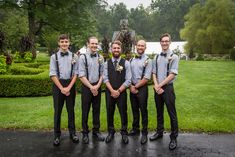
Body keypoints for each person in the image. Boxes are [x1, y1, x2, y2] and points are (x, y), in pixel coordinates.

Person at [150, 33, 179, 150]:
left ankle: (173, 137)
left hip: (168, 88)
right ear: (160, 42)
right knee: (159, 111)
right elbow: (154, 73)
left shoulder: (174, 56)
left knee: (172, 114)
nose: (165, 43)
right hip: (158, 88)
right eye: (163, 41)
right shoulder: (156, 57)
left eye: (167, 41)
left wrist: (160, 85)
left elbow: (172, 74)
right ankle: (159, 132)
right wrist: (156, 85)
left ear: (170, 42)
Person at [49, 34, 79, 146]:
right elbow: (52, 74)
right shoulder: (53, 57)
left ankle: (73, 133)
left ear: (69, 43)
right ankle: (57, 135)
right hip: (58, 86)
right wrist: (62, 88)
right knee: (58, 111)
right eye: (62, 42)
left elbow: (76, 73)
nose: (64, 44)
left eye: (66, 41)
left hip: (70, 85)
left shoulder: (75, 57)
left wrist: (69, 87)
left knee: (71, 111)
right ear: (59, 43)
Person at [103, 40, 131, 144]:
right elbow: (105, 78)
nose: (116, 50)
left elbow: (128, 80)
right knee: (109, 112)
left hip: (121, 92)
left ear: (121, 49)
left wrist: (118, 91)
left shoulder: (126, 63)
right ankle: (111, 132)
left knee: (123, 112)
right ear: (111, 49)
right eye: (114, 48)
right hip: (109, 92)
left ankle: (124, 132)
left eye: (118, 48)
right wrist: (112, 91)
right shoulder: (106, 63)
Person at [78, 36, 105, 144]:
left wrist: (97, 86)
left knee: (96, 109)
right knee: (85, 110)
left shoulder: (101, 57)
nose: (94, 45)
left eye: (96, 44)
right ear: (88, 44)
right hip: (86, 87)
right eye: (92, 43)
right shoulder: (82, 57)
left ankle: (96, 131)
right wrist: (91, 87)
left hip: (97, 86)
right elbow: (81, 75)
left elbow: (103, 73)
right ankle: (85, 132)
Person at [129, 40, 152, 144]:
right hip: (132, 87)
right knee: (134, 110)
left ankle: (144, 132)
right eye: (139, 45)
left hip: (142, 88)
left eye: (142, 46)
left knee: (143, 110)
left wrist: (135, 87)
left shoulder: (148, 60)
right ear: (136, 46)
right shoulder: (131, 60)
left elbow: (147, 77)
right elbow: (127, 75)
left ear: (145, 47)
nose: (140, 47)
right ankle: (135, 129)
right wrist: (130, 86)